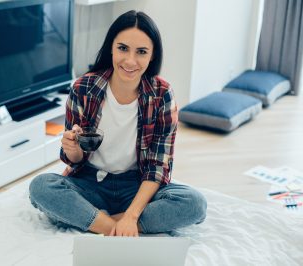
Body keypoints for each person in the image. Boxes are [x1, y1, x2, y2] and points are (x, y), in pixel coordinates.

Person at [29, 10, 207, 237]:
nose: (130, 61)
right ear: (111, 47)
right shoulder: (83, 88)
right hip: (90, 182)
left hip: (136, 185)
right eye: (122, 48)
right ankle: (112, 227)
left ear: (152, 55)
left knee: (194, 204)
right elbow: (75, 161)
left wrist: (132, 215)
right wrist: (72, 150)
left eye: (141, 52)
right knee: (41, 187)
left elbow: (158, 169)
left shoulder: (162, 95)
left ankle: (100, 220)